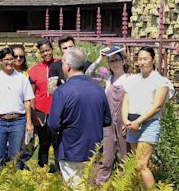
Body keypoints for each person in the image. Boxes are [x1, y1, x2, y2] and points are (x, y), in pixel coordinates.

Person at [48, 47, 111, 187]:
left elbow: (53, 124)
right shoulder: (99, 89)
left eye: (63, 62)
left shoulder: (62, 91)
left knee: (74, 186)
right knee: (89, 186)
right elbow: (107, 120)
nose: (62, 65)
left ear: (68, 66)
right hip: (93, 150)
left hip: (71, 149)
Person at [121, 46, 174, 189]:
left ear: (152, 59)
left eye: (145, 59)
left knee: (141, 164)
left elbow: (157, 106)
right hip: (132, 124)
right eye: (140, 59)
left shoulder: (161, 81)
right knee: (137, 165)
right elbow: (126, 100)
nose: (142, 62)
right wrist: (125, 119)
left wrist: (139, 121)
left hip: (148, 124)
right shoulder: (132, 79)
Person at [0, 47, 34, 169]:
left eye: (12, 59)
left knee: (15, 156)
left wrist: (29, 123)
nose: (9, 62)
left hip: (18, 121)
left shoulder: (22, 79)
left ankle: (14, 182)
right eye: (6, 59)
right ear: (0, 61)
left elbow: (27, 102)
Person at [87, 47, 131, 184]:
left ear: (123, 61)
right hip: (108, 123)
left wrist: (129, 121)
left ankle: (125, 184)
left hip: (124, 122)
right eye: (111, 61)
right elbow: (88, 74)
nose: (114, 63)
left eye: (117, 60)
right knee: (106, 158)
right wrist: (100, 57)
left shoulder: (131, 79)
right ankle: (100, 185)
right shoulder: (107, 79)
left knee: (126, 157)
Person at [28, 39, 59, 171]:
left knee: (58, 143)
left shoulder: (60, 64)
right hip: (41, 112)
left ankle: (60, 171)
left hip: (58, 111)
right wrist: (34, 114)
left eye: (48, 50)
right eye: (43, 51)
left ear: (52, 49)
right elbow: (31, 94)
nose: (46, 53)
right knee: (44, 143)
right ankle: (42, 171)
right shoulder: (35, 70)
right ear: (40, 53)